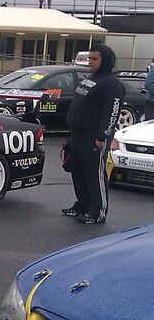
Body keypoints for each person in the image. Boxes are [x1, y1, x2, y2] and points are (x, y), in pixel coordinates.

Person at [64, 44, 125, 224]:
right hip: (78, 135)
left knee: (94, 174)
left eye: (94, 59)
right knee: (78, 172)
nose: (90, 61)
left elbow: (111, 113)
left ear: (104, 60)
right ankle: (83, 205)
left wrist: (102, 137)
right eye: (89, 58)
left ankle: (97, 211)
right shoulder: (91, 78)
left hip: (94, 137)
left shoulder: (112, 84)